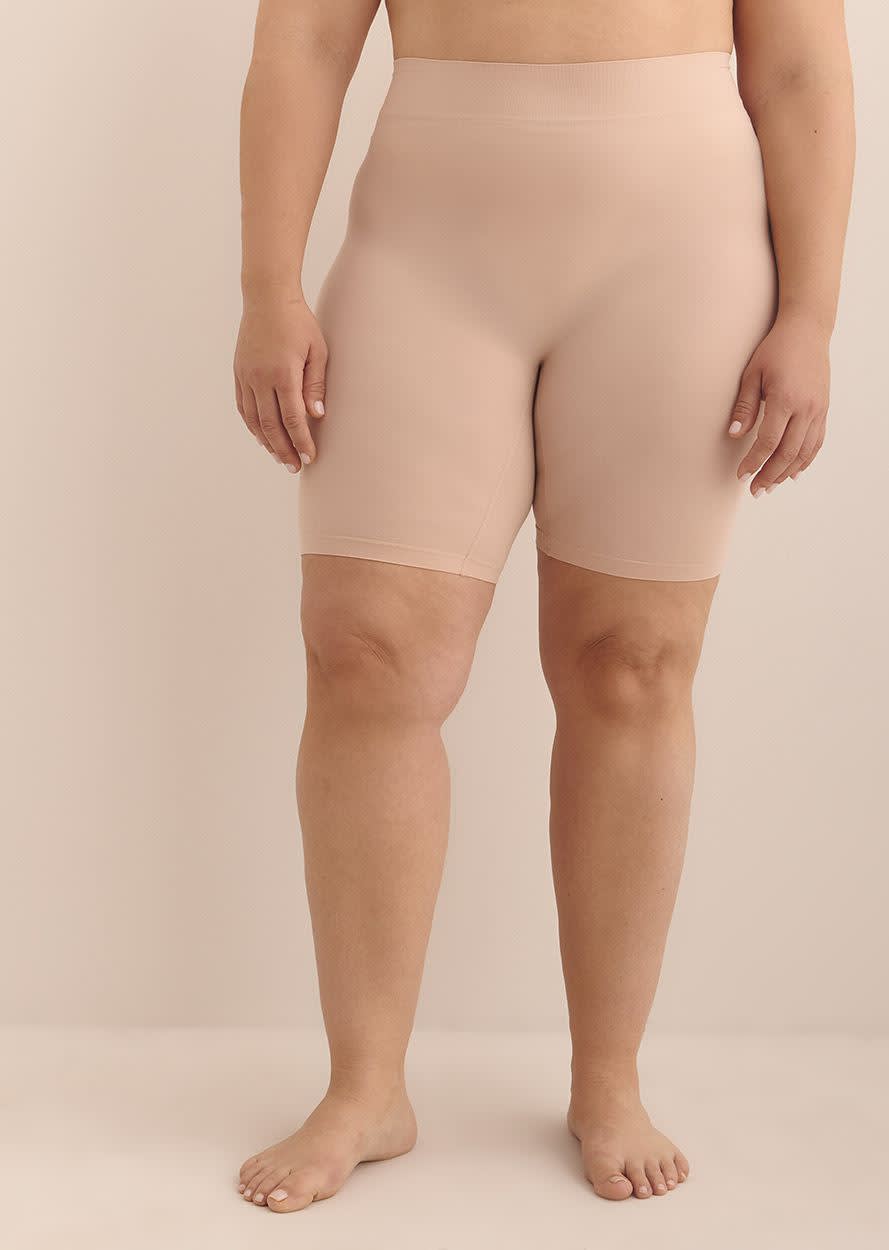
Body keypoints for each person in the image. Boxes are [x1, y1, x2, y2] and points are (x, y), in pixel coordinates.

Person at [232, 0, 854, 1214]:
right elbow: (303, 42)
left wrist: (811, 313)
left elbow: (798, 67)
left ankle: (607, 1078)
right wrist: (268, 286)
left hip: (680, 252)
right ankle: (365, 1084)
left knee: (632, 661)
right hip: (428, 248)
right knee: (366, 652)